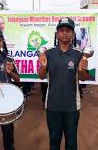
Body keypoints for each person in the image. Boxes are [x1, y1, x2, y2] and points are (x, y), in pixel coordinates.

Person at [38, 17, 90, 150]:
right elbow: (41, 75)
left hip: (72, 105)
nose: (65, 33)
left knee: (71, 142)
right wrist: (43, 65)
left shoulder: (78, 54)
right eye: (61, 30)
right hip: (52, 104)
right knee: (54, 141)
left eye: (68, 30)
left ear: (73, 34)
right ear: (57, 33)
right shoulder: (48, 53)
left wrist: (82, 70)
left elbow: (83, 78)